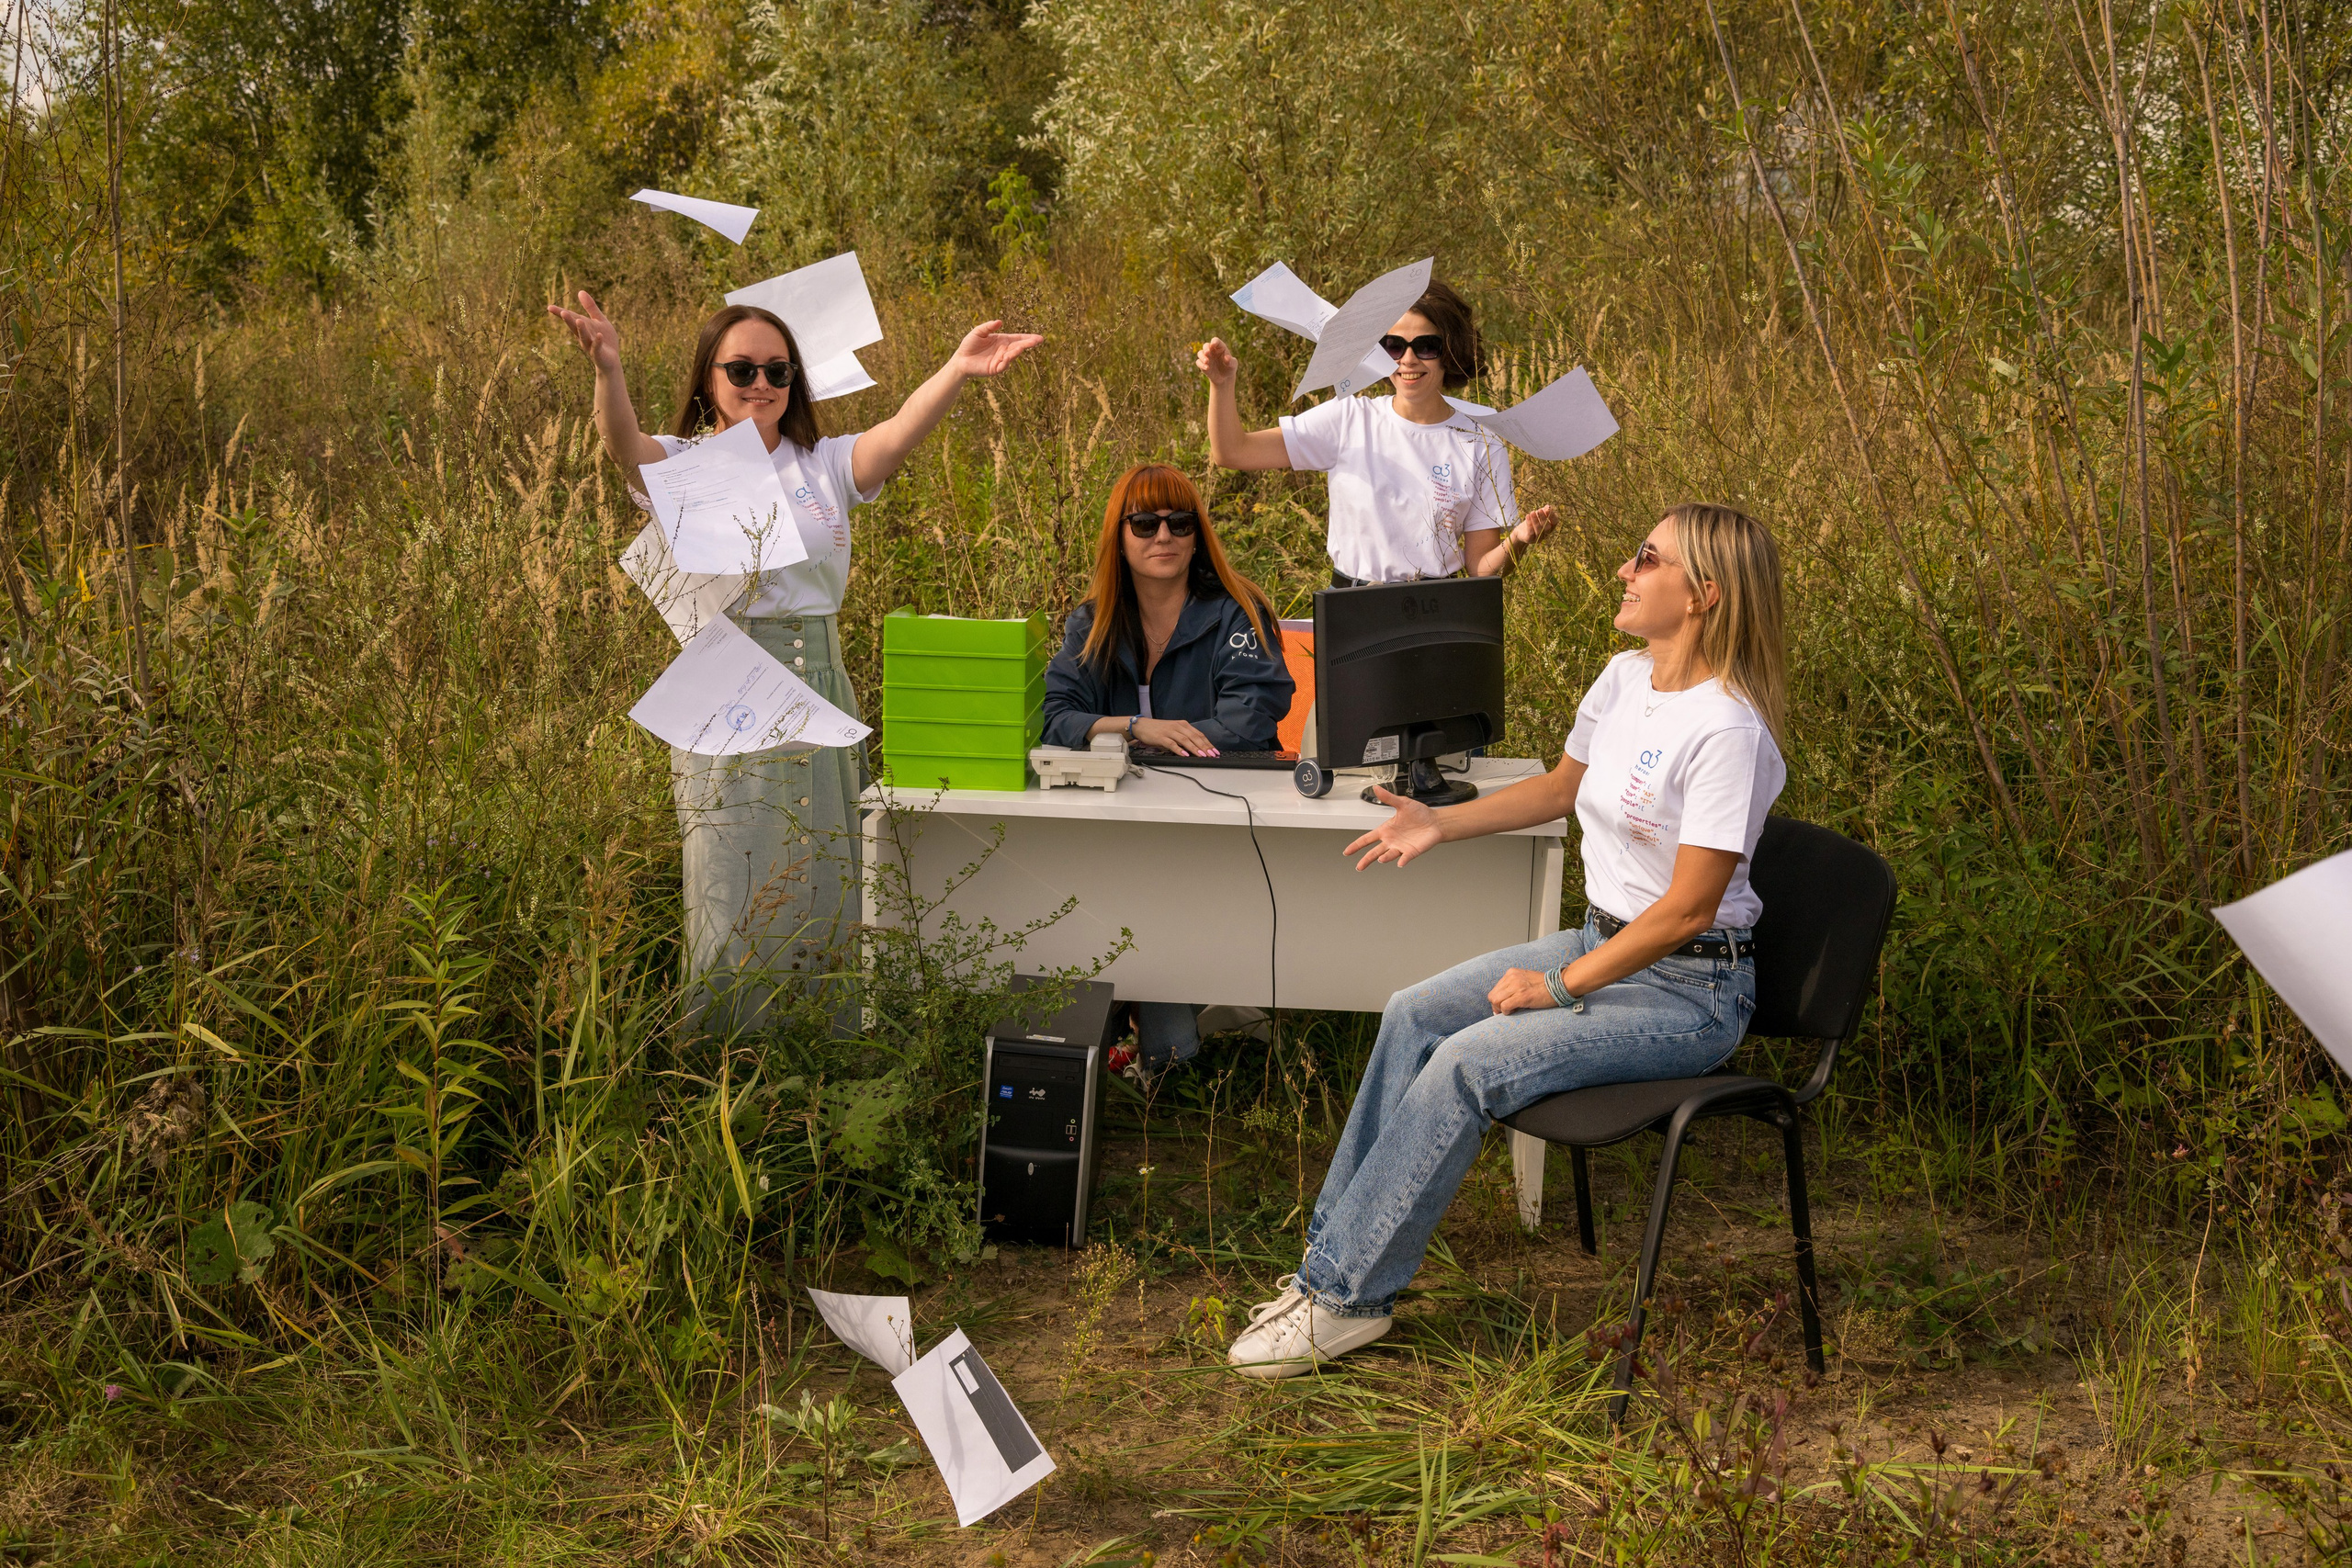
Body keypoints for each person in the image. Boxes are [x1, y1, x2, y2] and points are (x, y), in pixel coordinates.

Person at [1226, 502, 1788, 1377]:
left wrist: (1559, 988)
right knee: (1415, 1013)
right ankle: (1325, 1269)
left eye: (1646, 558)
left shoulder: (1729, 731)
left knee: (1467, 1062)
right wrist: (1439, 825)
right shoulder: (1623, 678)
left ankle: (1344, 1299)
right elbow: (1563, 787)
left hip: (1690, 989)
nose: (1624, 571)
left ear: (1705, 594)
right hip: (1602, 942)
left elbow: (1685, 910)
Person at [548, 292, 1042, 1029]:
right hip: (730, 683)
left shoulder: (823, 463)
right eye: (741, 368)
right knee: (734, 868)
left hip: (820, 678)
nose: (760, 384)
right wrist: (609, 370)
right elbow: (625, 446)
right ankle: (729, 1060)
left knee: (825, 867)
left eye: (776, 370)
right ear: (707, 380)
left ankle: (822, 1051)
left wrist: (957, 369)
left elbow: (899, 434)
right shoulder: (686, 462)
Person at [1041, 462, 1294, 1076]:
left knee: (1149, 881)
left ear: (1197, 532)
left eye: (1180, 522)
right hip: (1124, 819)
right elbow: (1055, 717)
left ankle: (1171, 1060)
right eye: (1145, 522)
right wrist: (1133, 726)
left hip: (1227, 816)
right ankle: (1108, 1052)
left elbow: (1249, 723)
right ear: (1119, 535)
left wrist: (1129, 748)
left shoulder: (1238, 611)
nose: (1164, 535)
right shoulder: (1094, 619)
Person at [1195, 279, 1559, 587]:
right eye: (1395, 346)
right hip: (1351, 606)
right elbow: (1233, 452)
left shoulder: (1481, 442)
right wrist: (1222, 385)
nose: (1408, 360)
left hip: (1437, 608)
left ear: (1449, 353)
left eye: (1426, 347)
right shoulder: (1348, 418)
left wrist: (1521, 538)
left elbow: (1480, 568)